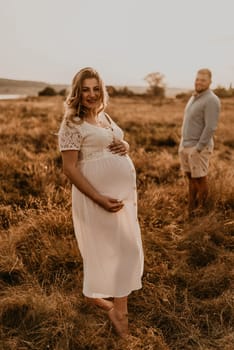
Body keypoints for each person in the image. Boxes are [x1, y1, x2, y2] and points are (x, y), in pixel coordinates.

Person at [58, 67, 144, 338]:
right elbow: (70, 169)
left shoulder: (103, 116)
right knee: (116, 251)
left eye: (96, 89)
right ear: (77, 92)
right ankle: (118, 315)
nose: (92, 94)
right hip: (97, 199)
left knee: (125, 250)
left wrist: (126, 145)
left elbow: (112, 142)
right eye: (86, 89)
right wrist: (99, 199)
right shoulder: (71, 123)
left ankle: (110, 306)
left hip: (122, 199)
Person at [178, 68, 221, 216]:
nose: (199, 82)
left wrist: (199, 148)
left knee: (200, 180)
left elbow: (211, 127)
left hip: (198, 148)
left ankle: (202, 213)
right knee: (191, 179)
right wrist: (182, 143)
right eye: (197, 79)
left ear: (210, 82)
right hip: (185, 145)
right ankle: (191, 210)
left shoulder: (211, 100)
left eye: (203, 80)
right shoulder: (194, 96)